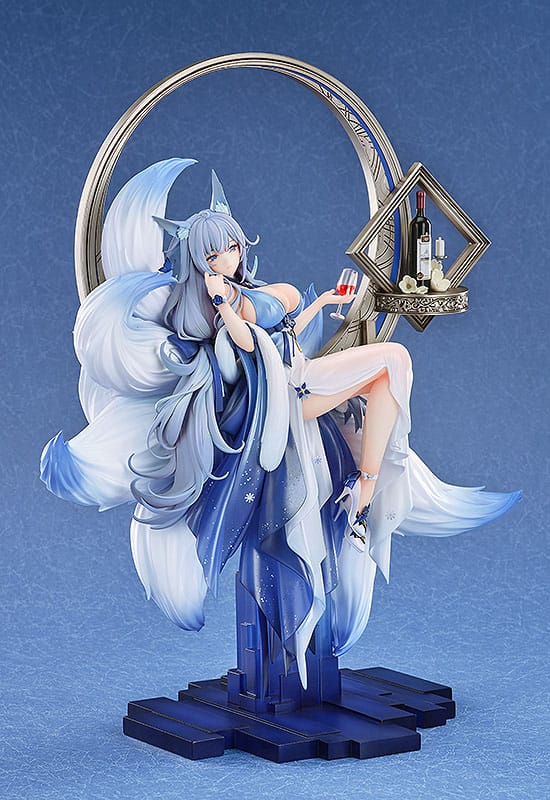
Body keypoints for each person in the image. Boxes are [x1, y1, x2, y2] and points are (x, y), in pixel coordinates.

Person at [40, 158, 522, 689]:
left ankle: (365, 487)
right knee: (392, 363)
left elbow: (284, 325)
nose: (230, 256)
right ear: (200, 260)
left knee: (390, 371)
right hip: (281, 398)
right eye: (216, 252)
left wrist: (326, 303)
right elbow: (247, 344)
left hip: (298, 374)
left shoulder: (240, 290)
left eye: (233, 246)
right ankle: (364, 491)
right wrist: (225, 307)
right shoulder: (216, 301)